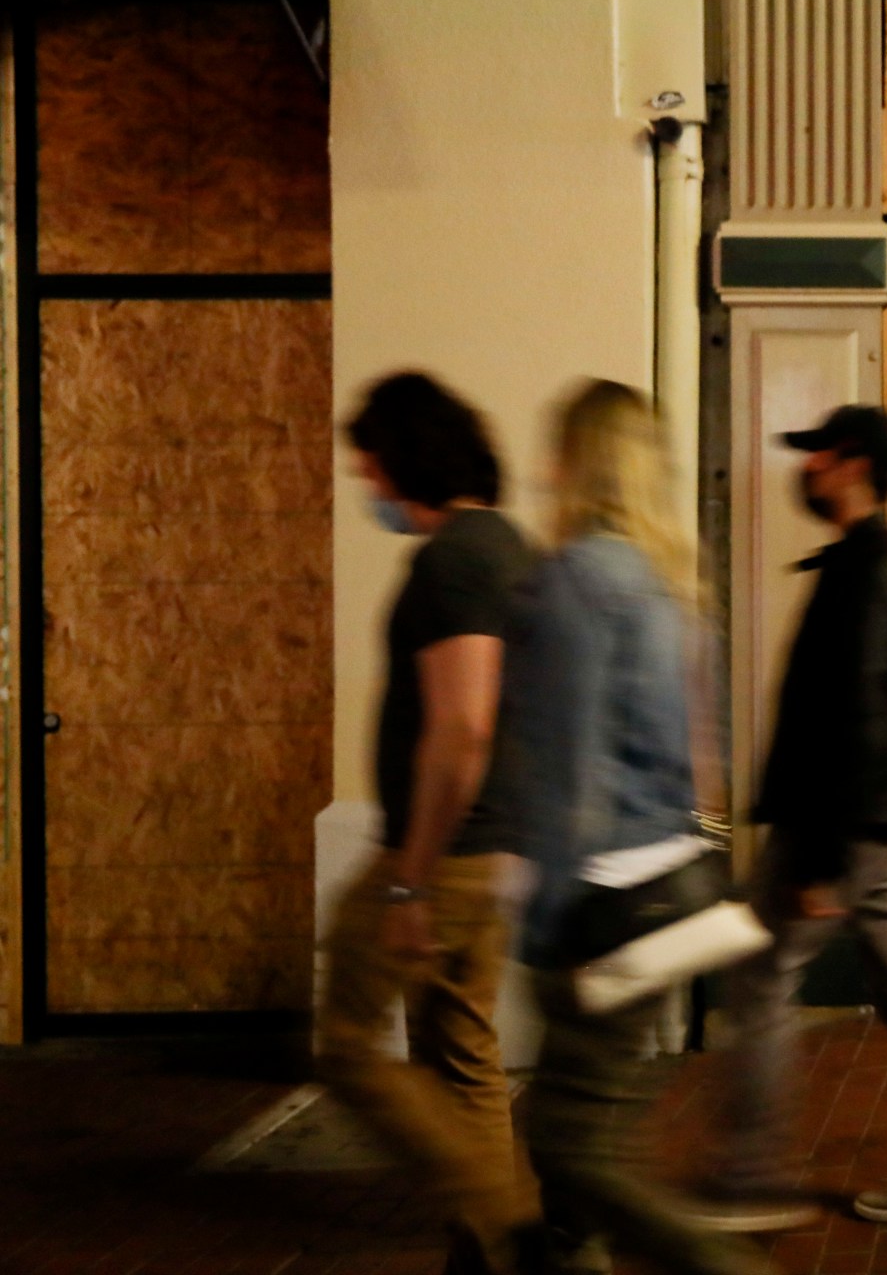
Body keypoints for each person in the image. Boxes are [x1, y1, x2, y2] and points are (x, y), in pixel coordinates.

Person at [493, 380, 770, 1275]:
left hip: (607, 899)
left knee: (574, 1144)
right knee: (572, 1128)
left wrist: (538, 927)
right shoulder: (670, 588)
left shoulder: (574, 580)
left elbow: (568, 772)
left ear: (577, 462)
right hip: (672, 887)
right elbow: (706, 758)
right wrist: (703, 856)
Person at [694, 404, 887, 1232]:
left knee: (757, 978)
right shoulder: (882, 563)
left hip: (842, 828)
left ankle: (751, 1178)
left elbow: (854, 714)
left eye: (815, 455)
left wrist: (822, 861)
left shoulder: (866, 572)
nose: (805, 469)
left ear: (851, 462)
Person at [318, 371, 543, 1275]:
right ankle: (487, 1251)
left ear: (404, 458)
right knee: (462, 1052)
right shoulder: (507, 548)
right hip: (487, 850)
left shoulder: (456, 560)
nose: (368, 487)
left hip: (442, 855)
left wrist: (409, 875)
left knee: (346, 1043)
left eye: (369, 468)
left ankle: (509, 1222)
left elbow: (463, 727)